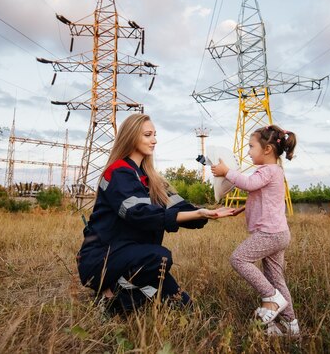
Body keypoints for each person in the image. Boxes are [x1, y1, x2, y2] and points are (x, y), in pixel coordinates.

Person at [76, 114, 233, 315]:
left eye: (155, 135)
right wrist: (198, 214)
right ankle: (109, 296)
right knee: (161, 258)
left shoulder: (151, 179)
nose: (154, 140)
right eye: (148, 135)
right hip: (103, 259)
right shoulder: (118, 172)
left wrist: (206, 213)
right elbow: (139, 214)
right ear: (131, 137)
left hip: (136, 257)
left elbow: (181, 207)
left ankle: (134, 294)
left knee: (185, 308)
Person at [211, 124, 300, 337]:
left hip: (269, 234)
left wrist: (227, 172)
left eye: (251, 146)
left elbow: (249, 184)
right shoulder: (273, 172)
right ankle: (291, 324)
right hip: (277, 233)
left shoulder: (268, 170)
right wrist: (243, 208)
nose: (248, 151)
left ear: (267, 149)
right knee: (276, 277)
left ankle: (272, 298)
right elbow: (261, 197)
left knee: (239, 259)